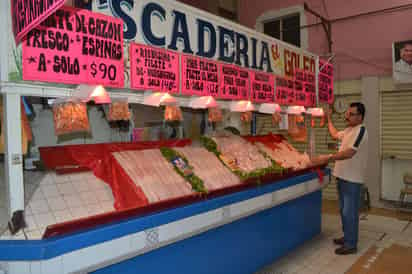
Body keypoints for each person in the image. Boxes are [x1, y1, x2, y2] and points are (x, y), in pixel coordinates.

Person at [311, 102, 368, 255]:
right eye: (347, 113)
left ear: (360, 117)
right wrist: (329, 118)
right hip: (342, 177)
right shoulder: (349, 130)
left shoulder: (360, 131)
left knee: (350, 212)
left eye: (351, 114)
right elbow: (335, 134)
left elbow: (350, 153)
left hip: (352, 180)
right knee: (343, 211)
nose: (346, 116)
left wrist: (327, 157)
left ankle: (351, 244)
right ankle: (347, 237)